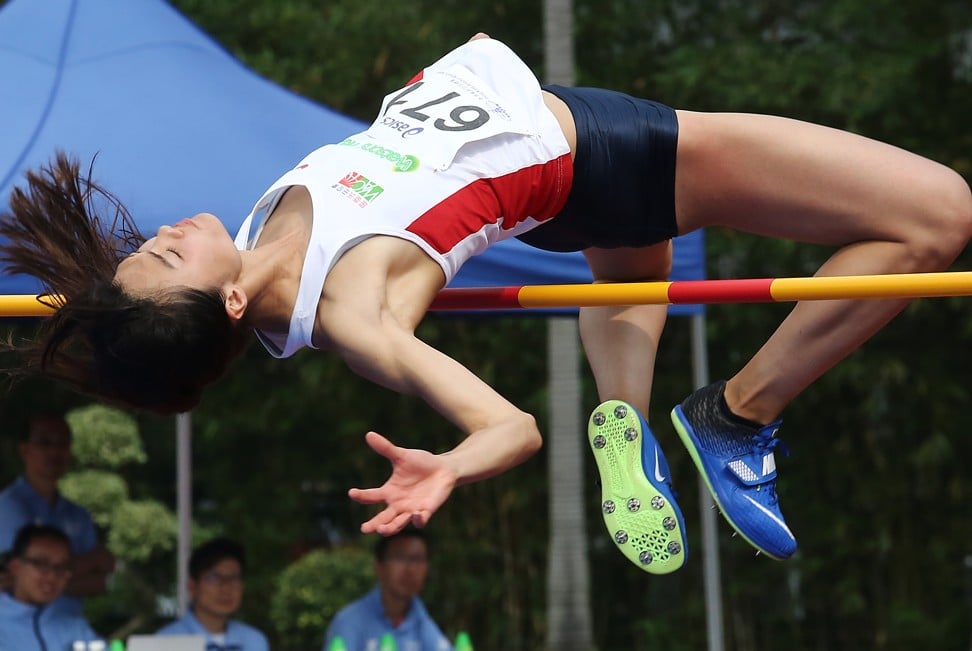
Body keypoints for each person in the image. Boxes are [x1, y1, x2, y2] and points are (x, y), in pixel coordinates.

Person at [2, 33, 970, 574]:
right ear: (223, 299)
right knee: (936, 219)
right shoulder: (350, 311)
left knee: (634, 273)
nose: (159, 236)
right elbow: (507, 426)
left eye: (144, 245)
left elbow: (167, 324)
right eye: (161, 259)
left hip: (552, 182)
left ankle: (624, 414)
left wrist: (108, 314)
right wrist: (452, 467)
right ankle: (734, 415)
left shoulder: (269, 239)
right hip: (605, 153)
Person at [0, 413, 115, 613]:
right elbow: (12, 577)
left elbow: (100, 583)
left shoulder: (79, 514)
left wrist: (36, 579)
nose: (55, 450)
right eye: (45, 442)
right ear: (24, 449)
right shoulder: (6, 507)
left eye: (63, 443)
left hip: (67, 630)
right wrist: (88, 563)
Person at [324, 528, 452, 651]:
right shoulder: (349, 622)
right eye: (400, 558)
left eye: (417, 559)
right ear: (379, 568)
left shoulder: (421, 619)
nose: (411, 569)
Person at [0, 524, 103, 651]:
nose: (52, 576)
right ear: (15, 566)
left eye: (61, 567)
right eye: (41, 564)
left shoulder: (76, 628)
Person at [155, 537, 269, 651]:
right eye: (214, 578)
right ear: (192, 586)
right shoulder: (165, 642)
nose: (226, 588)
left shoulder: (254, 641)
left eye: (234, 579)